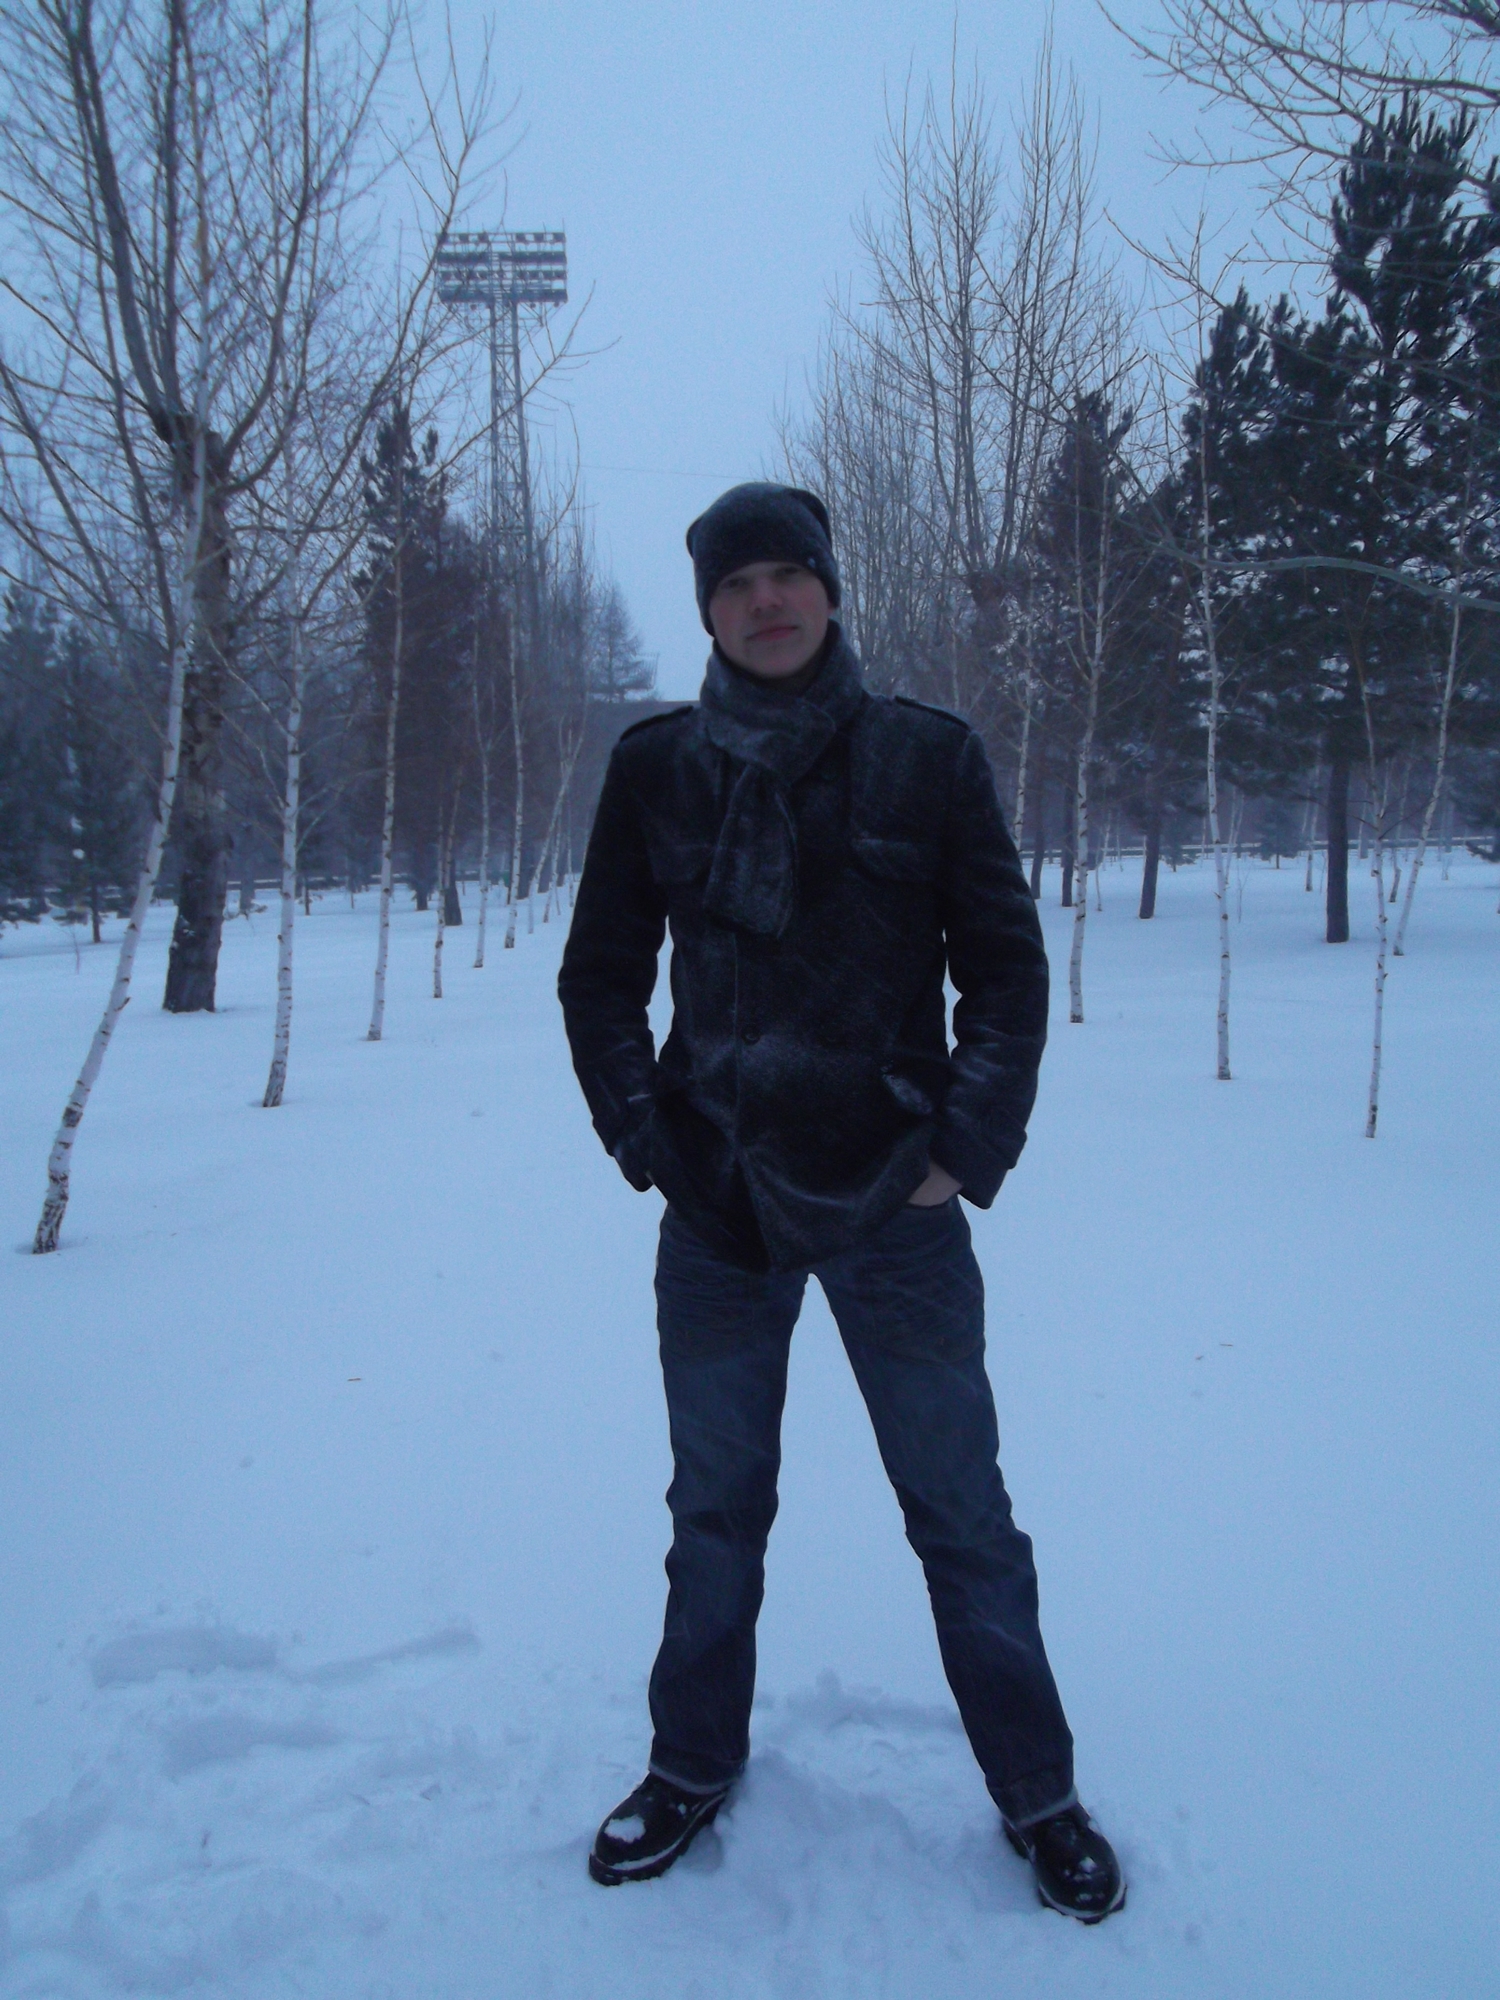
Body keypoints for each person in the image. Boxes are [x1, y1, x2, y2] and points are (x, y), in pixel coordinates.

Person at [557, 482, 1124, 1922]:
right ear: (709, 610)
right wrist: (646, 1135)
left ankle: (1038, 1790)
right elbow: (599, 978)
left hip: (894, 1205)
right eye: (736, 582)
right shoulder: (658, 768)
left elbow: (1007, 974)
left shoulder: (925, 757)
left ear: (826, 588)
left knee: (962, 1513)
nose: (767, 601)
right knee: (715, 1512)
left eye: (787, 574)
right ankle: (691, 1762)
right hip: (720, 1207)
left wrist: (961, 1151)